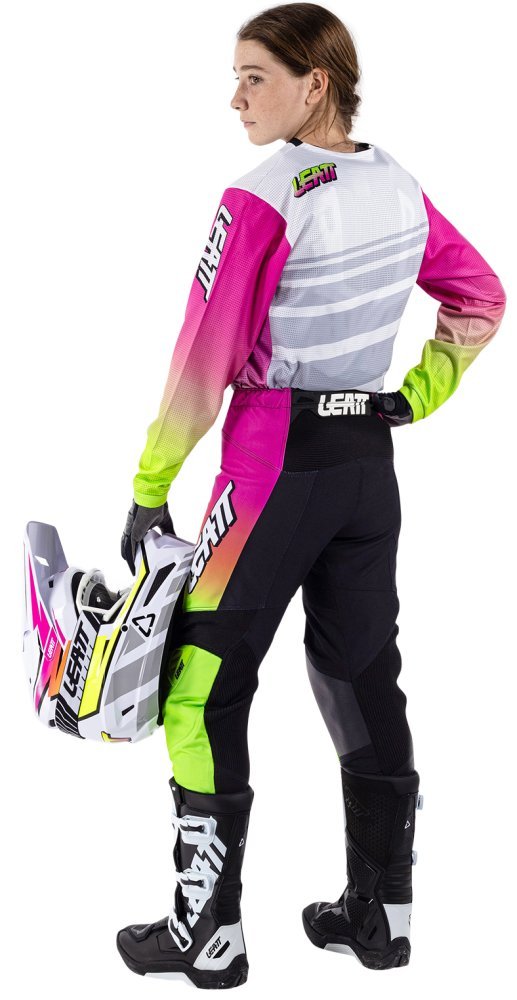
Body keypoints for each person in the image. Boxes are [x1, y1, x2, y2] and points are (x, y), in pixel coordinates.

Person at [118, 3, 506, 985]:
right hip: (366, 468)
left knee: (200, 687)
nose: (236, 97)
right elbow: (480, 296)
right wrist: (415, 395)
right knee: (359, 675)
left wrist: (151, 486)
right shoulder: (398, 185)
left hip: (271, 470)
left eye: (254, 76)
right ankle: (380, 918)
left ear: (314, 84)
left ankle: (206, 933)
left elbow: (203, 358)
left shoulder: (263, 195)